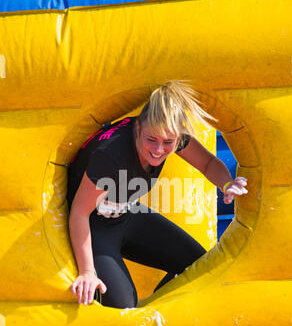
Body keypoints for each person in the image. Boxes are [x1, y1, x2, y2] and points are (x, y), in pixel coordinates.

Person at [67, 81, 248, 309]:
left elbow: (208, 162)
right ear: (138, 127)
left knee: (198, 267)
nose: (158, 150)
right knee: (123, 303)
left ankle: (163, 325)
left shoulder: (169, 136)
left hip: (124, 214)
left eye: (168, 143)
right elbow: (78, 214)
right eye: (150, 140)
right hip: (94, 226)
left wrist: (227, 184)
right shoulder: (113, 154)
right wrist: (87, 272)